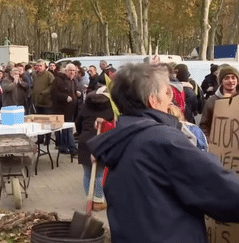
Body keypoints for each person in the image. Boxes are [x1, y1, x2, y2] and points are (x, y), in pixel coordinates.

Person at [87, 63, 239, 243]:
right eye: (167, 92)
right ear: (153, 99)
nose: (172, 98)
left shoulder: (123, 137)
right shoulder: (162, 140)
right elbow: (224, 191)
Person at [75, 90, 114, 195]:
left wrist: (82, 133)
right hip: (102, 142)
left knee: (87, 173)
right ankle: (98, 198)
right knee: (100, 174)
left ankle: (89, 199)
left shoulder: (86, 106)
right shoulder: (110, 107)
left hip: (85, 141)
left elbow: (78, 123)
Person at [200, 65, 239, 139]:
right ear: (221, 81)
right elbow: (204, 125)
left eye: (233, 78)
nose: (230, 81)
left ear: (237, 81)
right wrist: (210, 141)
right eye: (227, 78)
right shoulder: (212, 101)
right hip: (218, 145)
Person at [51, 63, 78, 154]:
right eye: (70, 70)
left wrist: (79, 93)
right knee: (64, 129)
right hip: (60, 109)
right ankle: (71, 148)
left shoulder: (74, 80)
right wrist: (65, 97)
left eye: (74, 70)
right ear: (66, 71)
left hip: (71, 109)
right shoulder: (58, 80)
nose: (72, 72)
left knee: (68, 129)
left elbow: (75, 91)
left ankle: (66, 146)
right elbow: (54, 93)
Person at [32, 59, 55, 145]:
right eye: (37, 66)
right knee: (39, 121)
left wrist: (44, 92)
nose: (39, 67)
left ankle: (47, 139)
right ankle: (40, 138)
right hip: (38, 101)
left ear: (45, 66)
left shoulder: (49, 75)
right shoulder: (34, 75)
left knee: (47, 122)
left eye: (40, 66)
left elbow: (52, 86)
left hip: (47, 102)